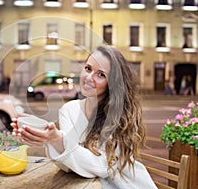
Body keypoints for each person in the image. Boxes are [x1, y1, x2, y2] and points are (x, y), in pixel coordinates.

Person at [12, 45, 157, 188]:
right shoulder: (69, 110)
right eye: (88, 68)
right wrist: (47, 137)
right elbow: (68, 167)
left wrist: (58, 140)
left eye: (101, 75)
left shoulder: (122, 115)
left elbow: (102, 168)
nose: (89, 77)